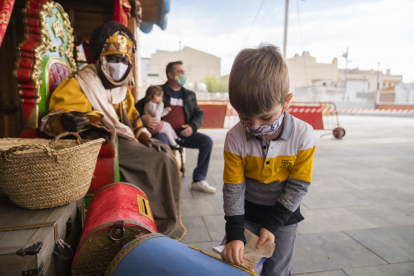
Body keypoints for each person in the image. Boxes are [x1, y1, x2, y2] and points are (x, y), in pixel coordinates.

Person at [39, 21, 185, 240]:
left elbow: (132, 116)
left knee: (164, 150)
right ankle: (161, 228)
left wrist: (145, 137)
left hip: (123, 141)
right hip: (101, 146)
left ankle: (155, 222)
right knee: (163, 162)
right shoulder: (80, 82)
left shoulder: (121, 88)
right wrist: (66, 121)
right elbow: (56, 117)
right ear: (99, 58)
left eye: (124, 61)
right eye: (113, 59)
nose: (119, 65)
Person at [220, 44, 315, 276]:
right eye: (245, 117)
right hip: (246, 214)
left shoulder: (303, 135)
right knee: (233, 265)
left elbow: (298, 185)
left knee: (276, 271)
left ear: (286, 102)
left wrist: (272, 225)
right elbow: (233, 188)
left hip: (283, 216)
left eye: (266, 117)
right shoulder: (234, 137)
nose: (255, 126)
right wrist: (234, 233)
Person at [136, 61, 216, 194]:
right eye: (180, 72)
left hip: (182, 134)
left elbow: (198, 114)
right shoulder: (157, 91)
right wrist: (143, 116)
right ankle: (163, 185)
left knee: (207, 141)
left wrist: (192, 126)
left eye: (183, 72)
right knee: (163, 145)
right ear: (170, 75)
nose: (183, 74)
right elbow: (136, 107)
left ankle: (198, 180)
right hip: (162, 132)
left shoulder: (190, 95)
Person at [143, 85, 183, 151]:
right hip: (151, 126)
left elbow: (159, 115)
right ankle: (174, 145)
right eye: (158, 96)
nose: (161, 98)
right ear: (150, 97)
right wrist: (161, 105)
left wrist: (165, 111)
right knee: (166, 130)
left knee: (167, 124)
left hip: (156, 123)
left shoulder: (154, 104)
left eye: (161, 96)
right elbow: (156, 114)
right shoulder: (150, 104)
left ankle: (176, 138)